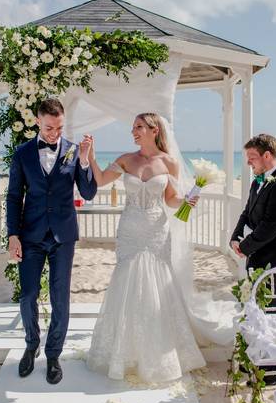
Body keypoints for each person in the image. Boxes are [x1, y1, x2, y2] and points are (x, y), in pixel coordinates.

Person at [84, 113, 236, 382]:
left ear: (154, 130)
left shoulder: (170, 162)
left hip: (157, 228)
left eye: (139, 127)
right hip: (130, 228)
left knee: (158, 280)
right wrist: (92, 155)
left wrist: (189, 200)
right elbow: (99, 181)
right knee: (126, 279)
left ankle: (160, 352)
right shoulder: (125, 159)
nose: (134, 131)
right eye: (133, 128)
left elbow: (173, 200)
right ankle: (124, 350)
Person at [6, 98, 97, 384]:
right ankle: (31, 345)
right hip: (31, 235)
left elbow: (89, 192)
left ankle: (54, 353)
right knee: (28, 295)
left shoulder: (73, 150)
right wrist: (13, 235)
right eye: (49, 127)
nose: (54, 133)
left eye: (58, 127)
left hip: (63, 236)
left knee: (60, 297)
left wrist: (84, 160)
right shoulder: (22, 153)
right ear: (37, 121)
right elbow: (13, 196)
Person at [230, 134, 276, 310]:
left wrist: (244, 247)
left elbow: (270, 226)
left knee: (274, 316)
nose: (248, 163)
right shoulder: (256, 182)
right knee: (256, 314)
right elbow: (246, 212)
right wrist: (236, 237)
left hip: (275, 264)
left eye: (252, 158)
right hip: (257, 260)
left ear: (267, 156)